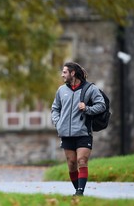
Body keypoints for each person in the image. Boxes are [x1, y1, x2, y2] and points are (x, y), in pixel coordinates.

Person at [51, 62, 106, 196]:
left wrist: (87, 108)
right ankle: (77, 189)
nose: (62, 75)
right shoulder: (61, 90)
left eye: (64, 72)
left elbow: (101, 105)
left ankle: (80, 192)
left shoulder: (90, 89)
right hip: (66, 133)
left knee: (82, 160)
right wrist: (58, 123)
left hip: (83, 132)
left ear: (72, 73)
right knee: (71, 163)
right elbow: (55, 109)